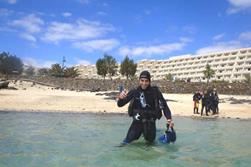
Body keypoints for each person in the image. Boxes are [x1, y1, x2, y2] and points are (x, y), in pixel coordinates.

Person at [117, 70, 173, 144]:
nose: (144, 83)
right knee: (126, 143)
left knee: (150, 146)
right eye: (142, 80)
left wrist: (169, 118)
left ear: (149, 81)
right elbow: (120, 104)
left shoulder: (155, 92)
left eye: (146, 81)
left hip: (151, 123)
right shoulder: (134, 92)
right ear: (139, 80)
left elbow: (164, 105)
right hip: (137, 123)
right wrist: (120, 99)